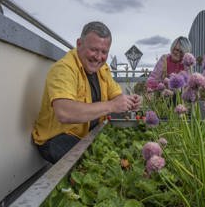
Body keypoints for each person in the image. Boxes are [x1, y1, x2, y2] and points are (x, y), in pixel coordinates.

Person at [32, 21, 141, 164]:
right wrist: (112, 106)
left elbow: (116, 96)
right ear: (79, 44)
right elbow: (64, 113)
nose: (98, 57)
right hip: (57, 139)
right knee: (100, 164)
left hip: (87, 135)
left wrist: (128, 102)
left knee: (122, 153)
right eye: (94, 50)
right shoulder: (63, 69)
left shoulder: (103, 68)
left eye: (104, 52)